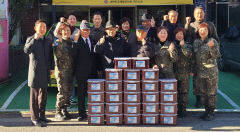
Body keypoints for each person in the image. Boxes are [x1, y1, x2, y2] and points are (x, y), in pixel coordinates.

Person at [185, 6, 219, 108]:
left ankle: (210, 106)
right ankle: (199, 100)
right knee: (197, 80)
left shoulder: (210, 24)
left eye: (201, 13)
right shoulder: (191, 25)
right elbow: (187, 38)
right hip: (196, 55)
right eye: (197, 13)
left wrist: (213, 46)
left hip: (208, 54)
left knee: (209, 82)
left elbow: (215, 37)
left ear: (204, 14)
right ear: (194, 15)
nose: (199, 15)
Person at [24, 19, 53, 127]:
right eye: (40, 27)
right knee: (34, 98)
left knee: (43, 96)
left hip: (45, 72)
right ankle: (34, 118)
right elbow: (26, 50)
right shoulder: (30, 39)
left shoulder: (48, 40)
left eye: (44, 27)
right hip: (35, 72)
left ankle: (42, 117)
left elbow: (50, 56)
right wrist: (34, 40)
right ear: (35, 28)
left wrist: (51, 68)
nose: (42, 29)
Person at [193, 22, 220, 121]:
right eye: (201, 29)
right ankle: (206, 111)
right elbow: (194, 57)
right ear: (198, 31)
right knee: (203, 93)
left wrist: (212, 47)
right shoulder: (196, 42)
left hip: (210, 72)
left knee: (211, 93)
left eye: (205, 30)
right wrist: (192, 69)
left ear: (208, 31)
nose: (203, 31)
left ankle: (211, 112)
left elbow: (216, 56)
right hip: (200, 71)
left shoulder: (213, 41)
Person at [74, 22, 98, 121]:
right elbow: (73, 55)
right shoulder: (77, 41)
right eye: (84, 30)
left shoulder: (92, 40)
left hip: (92, 71)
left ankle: (94, 112)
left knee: (93, 94)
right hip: (81, 72)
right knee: (81, 94)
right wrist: (75, 42)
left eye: (88, 30)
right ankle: (81, 113)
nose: (86, 31)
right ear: (80, 30)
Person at [53, 23, 75, 121]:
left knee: (68, 92)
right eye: (64, 30)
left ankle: (64, 110)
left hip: (70, 71)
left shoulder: (71, 42)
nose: (66, 32)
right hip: (61, 72)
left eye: (68, 30)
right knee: (62, 92)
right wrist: (59, 39)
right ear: (60, 32)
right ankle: (58, 111)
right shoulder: (57, 42)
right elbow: (55, 50)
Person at [173, 28, 192, 117]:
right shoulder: (172, 45)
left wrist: (183, 46)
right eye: (178, 34)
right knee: (174, 92)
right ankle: (174, 110)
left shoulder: (187, 45)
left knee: (184, 93)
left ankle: (183, 110)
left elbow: (188, 55)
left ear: (184, 35)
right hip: (174, 73)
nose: (179, 35)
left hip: (184, 73)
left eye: (181, 34)